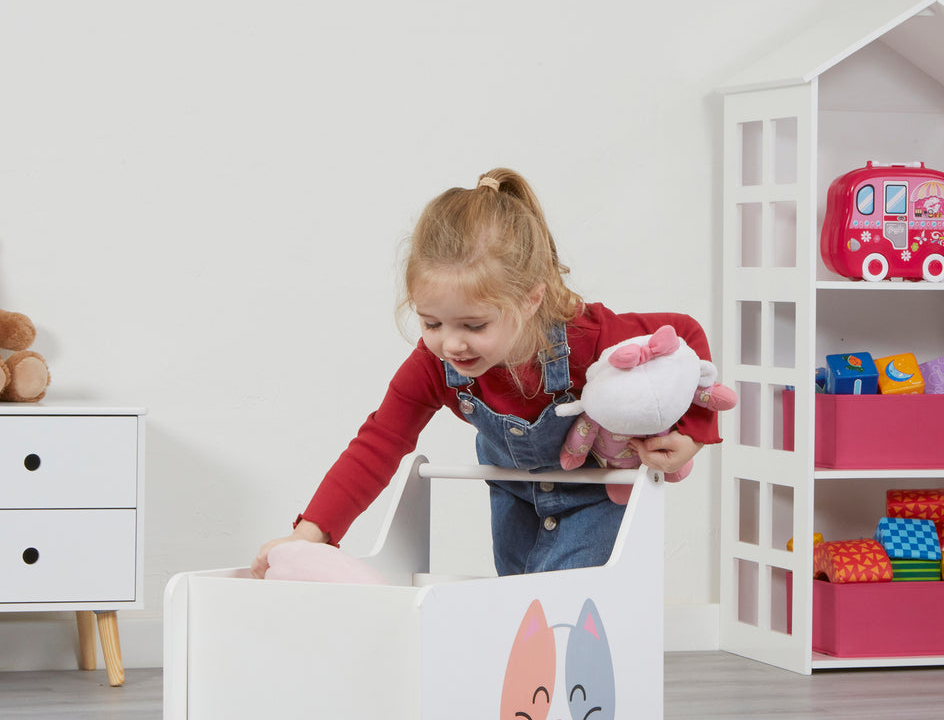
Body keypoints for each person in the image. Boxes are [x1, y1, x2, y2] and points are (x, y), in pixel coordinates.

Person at [252, 168, 720, 579]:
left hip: (596, 498)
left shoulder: (587, 338)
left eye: (474, 325)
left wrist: (693, 434)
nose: (451, 344)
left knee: (553, 609)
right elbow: (380, 441)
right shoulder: (435, 366)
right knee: (517, 621)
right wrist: (309, 534)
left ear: (531, 299)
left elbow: (684, 333)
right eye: (432, 323)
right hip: (513, 500)